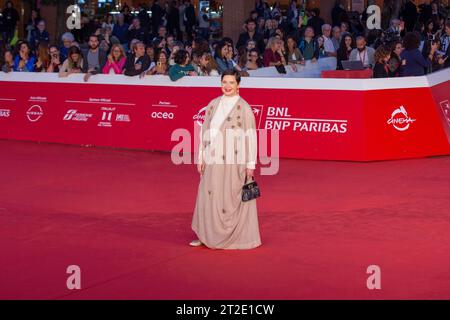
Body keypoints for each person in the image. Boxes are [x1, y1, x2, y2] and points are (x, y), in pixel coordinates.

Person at [191, 69, 262, 250]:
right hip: (212, 158)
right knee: (208, 195)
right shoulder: (213, 105)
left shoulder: (244, 108)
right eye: (224, 82)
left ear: (238, 85)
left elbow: (251, 137)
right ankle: (205, 235)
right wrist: (201, 157)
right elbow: (205, 133)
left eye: (231, 82)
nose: (227, 86)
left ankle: (233, 236)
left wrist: (250, 165)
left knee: (229, 197)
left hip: (234, 160)